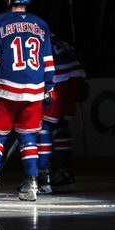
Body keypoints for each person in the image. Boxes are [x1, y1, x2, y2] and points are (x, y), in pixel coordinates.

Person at [0, 0, 55, 201]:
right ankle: (31, 182)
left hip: (6, 89)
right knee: (27, 136)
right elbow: (48, 61)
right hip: (35, 89)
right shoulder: (41, 25)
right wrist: (49, 86)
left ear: (8, 0)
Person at [37, 35, 88, 193]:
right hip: (75, 78)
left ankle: (43, 179)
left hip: (57, 78)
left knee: (42, 125)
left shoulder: (33, 39)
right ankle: (67, 174)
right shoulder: (59, 40)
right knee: (60, 126)